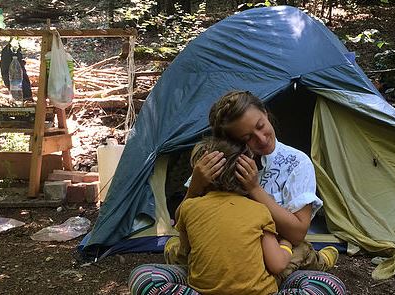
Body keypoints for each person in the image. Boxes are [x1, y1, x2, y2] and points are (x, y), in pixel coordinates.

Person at [128, 138, 346, 295]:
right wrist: (286, 242)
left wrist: (194, 188)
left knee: (144, 275)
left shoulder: (189, 207)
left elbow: (186, 251)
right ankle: (317, 264)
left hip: (203, 289)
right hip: (261, 287)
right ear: (248, 176)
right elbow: (278, 265)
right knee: (328, 284)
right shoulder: (259, 211)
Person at [168, 90, 339, 281]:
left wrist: (254, 189)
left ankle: (320, 259)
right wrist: (195, 187)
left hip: (274, 246)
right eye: (247, 137)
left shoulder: (297, 162)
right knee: (184, 247)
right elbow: (183, 219)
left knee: (296, 253)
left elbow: (297, 233)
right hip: (229, 244)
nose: (262, 139)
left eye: (261, 126)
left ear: (265, 113)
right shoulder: (219, 162)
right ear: (232, 141)